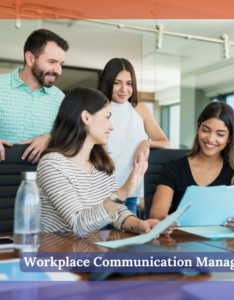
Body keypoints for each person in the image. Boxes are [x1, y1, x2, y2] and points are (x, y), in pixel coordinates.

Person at [37, 87, 176, 238]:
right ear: (86, 117)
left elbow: (117, 212)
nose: (112, 126)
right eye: (108, 117)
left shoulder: (100, 163)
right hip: (56, 252)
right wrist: (124, 191)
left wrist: (141, 225)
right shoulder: (52, 164)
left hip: (89, 249)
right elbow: (80, 225)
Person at [150, 102, 234, 232]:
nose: (210, 139)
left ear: (229, 137)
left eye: (220, 134)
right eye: (205, 130)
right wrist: (161, 219)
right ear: (198, 128)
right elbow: (156, 210)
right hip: (181, 241)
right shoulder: (173, 168)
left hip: (224, 242)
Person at [98, 58, 171, 215]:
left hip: (130, 191)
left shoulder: (140, 110)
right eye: (117, 82)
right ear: (108, 82)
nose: (124, 89)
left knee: (127, 237)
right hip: (100, 191)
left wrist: (147, 143)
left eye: (129, 83)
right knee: (99, 238)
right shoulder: (97, 109)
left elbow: (166, 143)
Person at [0, 29, 69, 164]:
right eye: (52, 62)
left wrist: (51, 139)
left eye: (61, 64)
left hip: (43, 179)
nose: (58, 71)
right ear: (30, 58)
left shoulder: (60, 98)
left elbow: (68, 138)